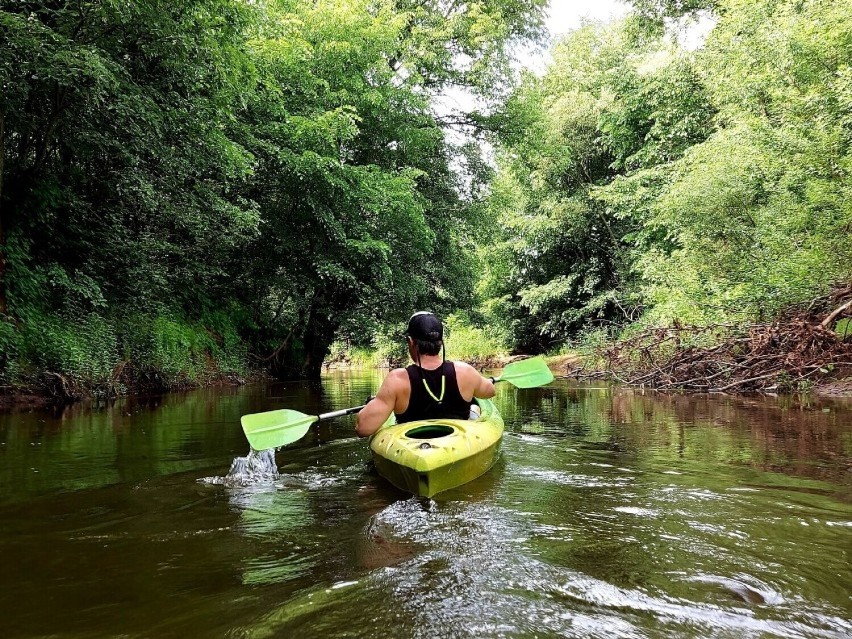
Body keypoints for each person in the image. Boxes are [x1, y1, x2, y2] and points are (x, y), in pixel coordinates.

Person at [355, 312, 496, 438]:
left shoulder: (397, 380)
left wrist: (373, 404)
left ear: (410, 342)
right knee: (475, 408)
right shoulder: (465, 372)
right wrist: (483, 382)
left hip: (413, 446)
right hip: (457, 443)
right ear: (441, 343)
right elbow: (490, 391)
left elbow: (363, 428)